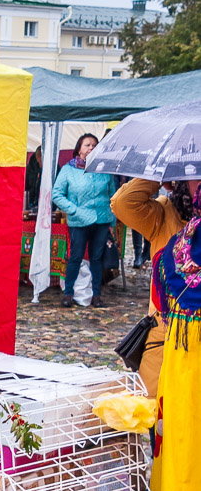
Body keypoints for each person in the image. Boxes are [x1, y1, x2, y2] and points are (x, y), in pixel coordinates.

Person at [124, 175, 201, 491]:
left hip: (187, 354)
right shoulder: (174, 218)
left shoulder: (184, 235)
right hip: (175, 352)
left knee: (184, 475)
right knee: (174, 470)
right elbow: (125, 202)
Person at [110, 179, 194, 400]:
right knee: (157, 419)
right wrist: (158, 176)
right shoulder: (164, 213)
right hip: (164, 338)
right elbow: (122, 203)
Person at [52, 133, 116, 309]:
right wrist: (73, 210)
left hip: (102, 220)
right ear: (79, 149)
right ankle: (68, 294)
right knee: (76, 257)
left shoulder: (104, 169)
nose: (91, 148)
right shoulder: (68, 170)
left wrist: (112, 222)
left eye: (94, 145)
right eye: (87, 145)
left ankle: (96, 295)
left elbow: (113, 196)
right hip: (79, 221)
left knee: (96, 258)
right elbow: (57, 194)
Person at [25, 145, 43, 212]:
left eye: (40, 161)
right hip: (32, 205)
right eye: (38, 160)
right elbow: (26, 185)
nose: (39, 163)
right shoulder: (32, 166)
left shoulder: (54, 168)